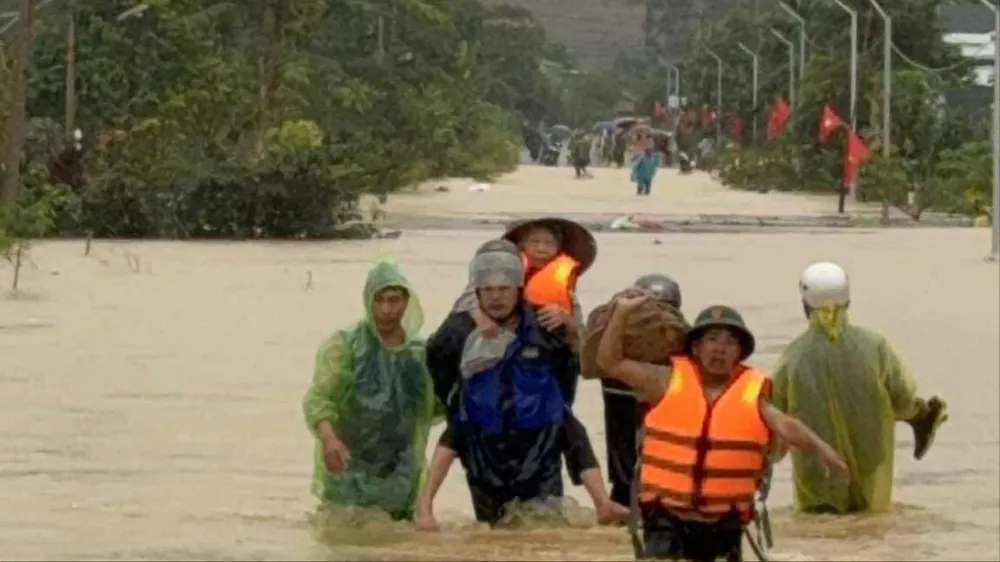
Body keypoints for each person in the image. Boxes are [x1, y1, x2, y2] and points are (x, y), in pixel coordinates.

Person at [596, 298, 849, 561]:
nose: (720, 349)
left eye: (730, 342)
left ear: (739, 353)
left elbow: (784, 425)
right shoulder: (664, 380)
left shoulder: (752, 393)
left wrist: (821, 449)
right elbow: (609, 362)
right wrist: (622, 314)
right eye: (713, 339)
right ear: (695, 347)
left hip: (722, 523)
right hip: (666, 517)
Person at [417, 223, 627, 528]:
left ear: (518, 288)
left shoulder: (547, 322)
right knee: (494, 533)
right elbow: (438, 367)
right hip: (486, 450)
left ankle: (603, 504)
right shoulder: (459, 328)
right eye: (488, 290)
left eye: (503, 289)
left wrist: (570, 326)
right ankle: (425, 505)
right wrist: (457, 401)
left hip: (538, 445)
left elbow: (577, 367)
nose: (496, 298)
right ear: (477, 291)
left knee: (564, 425)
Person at [771, 261, 948, 515]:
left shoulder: (792, 357)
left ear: (804, 305)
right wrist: (917, 413)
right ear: (849, 302)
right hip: (872, 465)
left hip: (817, 471)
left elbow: (774, 418)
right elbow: (902, 397)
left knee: (819, 530)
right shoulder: (874, 346)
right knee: (871, 524)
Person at [302, 259, 442, 521]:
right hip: (348, 464)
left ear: (407, 302)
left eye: (394, 300)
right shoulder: (345, 345)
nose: (387, 309)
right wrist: (329, 439)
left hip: (399, 470)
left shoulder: (420, 355)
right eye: (379, 301)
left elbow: (436, 406)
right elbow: (320, 398)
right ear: (368, 302)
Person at [581, 274, 685, 509]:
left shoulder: (612, 368)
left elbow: (593, 359)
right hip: (658, 482)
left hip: (633, 481)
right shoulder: (678, 370)